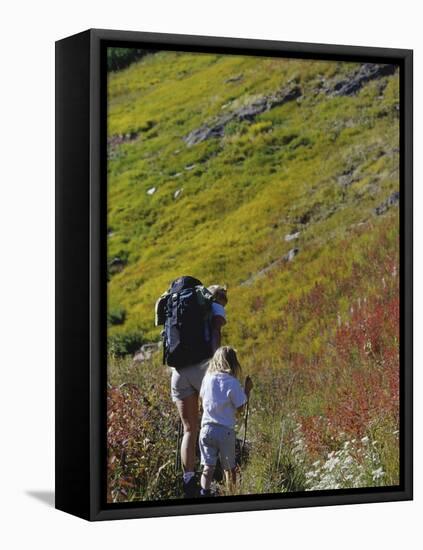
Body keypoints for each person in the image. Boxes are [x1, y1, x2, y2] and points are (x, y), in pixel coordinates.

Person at [170, 284, 228, 498]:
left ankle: (188, 480)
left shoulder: (182, 309)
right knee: (213, 421)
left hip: (178, 371)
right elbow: (216, 332)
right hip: (202, 366)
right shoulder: (215, 305)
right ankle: (210, 479)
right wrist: (218, 364)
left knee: (189, 429)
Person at [198, 346, 253, 497]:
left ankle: (204, 493)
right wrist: (247, 391)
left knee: (207, 467)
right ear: (233, 363)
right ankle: (232, 496)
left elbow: (202, 399)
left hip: (206, 429)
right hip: (225, 431)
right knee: (230, 468)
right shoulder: (232, 382)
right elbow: (240, 408)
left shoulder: (207, 379)